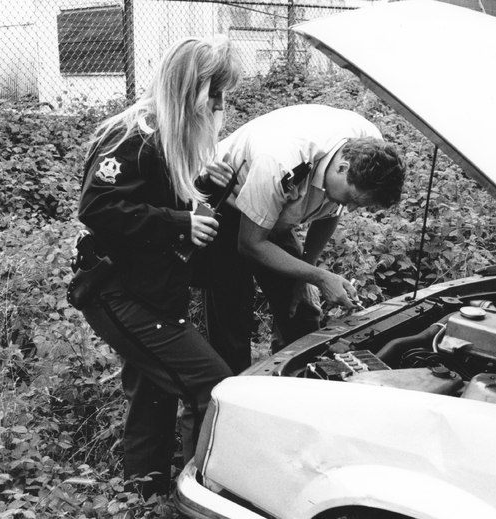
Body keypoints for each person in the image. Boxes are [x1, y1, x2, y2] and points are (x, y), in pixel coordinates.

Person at [76, 36, 240, 498]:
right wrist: (181, 221)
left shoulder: (172, 136)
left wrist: (206, 187)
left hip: (153, 289)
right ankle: (209, 494)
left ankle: (143, 497)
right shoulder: (133, 134)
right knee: (214, 385)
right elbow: (100, 208)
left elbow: (160, 203)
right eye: (215, 92)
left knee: (152, 396)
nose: (219, 103)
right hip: (119, 292)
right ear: (189, 86)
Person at [198, 104, 406, 374]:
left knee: (302, 312)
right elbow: (250, 243)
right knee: (232, 319)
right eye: (354, 200)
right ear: (343, 167)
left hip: (279, 205)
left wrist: (304, 274)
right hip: (228, 201)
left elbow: (331, 212)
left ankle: (295, 383)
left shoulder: (368, 147)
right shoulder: (280, 160)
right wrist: (319, 276)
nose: (351, 210)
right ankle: (230, 394)